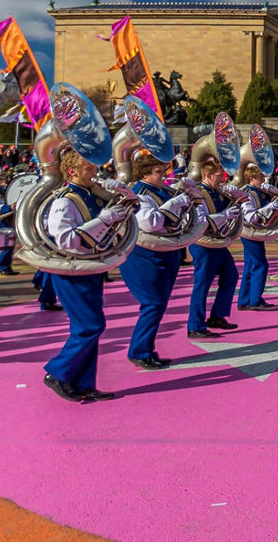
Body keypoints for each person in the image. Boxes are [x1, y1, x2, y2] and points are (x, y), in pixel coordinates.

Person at [42, 147, 136, 402]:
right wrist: (103, 221)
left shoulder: (91, 195)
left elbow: (128, 210)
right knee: (90, 326)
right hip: (72, 269)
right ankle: (58, 373)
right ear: (72, 171)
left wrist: (124, 195)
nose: (96, 173)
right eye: (90, 169)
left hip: (91, 266)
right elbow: (65, 240)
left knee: (88, 327)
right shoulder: (64, 200)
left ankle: (83, 383)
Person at [123, 153, 196, 369]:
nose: (163, 176)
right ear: (144, 173)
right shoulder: (140, 193)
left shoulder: (162, 190)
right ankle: (139, 351)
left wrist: (191, 198)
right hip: (145, 256)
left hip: (167, 252)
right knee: (153, 303)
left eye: (163, 171)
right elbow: (150, 222)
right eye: (158, 172)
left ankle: (147, 349)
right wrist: (177, 202)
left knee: (159, 304)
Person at [186, 156, 242, 338]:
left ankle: (217, 315)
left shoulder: (217, 191)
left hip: (218, 243)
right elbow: (200, 220)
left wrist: (238, 200)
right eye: (219, 176)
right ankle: (195, 325)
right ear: (208, 175)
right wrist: (225, 215)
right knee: (202, 285)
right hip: (203, 244)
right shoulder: (199, 194)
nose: (222, 179)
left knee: (231, 276)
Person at [236, 164, 278, 311]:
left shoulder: (258, 190)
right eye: (260, 177)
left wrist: (270, 190)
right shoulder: (248, 193)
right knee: (260, 265)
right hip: (250, 232)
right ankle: (255, 300)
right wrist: (270, 207)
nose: (263, 179)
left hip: (254, 233)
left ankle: (244, 300)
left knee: (251, 266)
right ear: (251, 178)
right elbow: (250, 217)